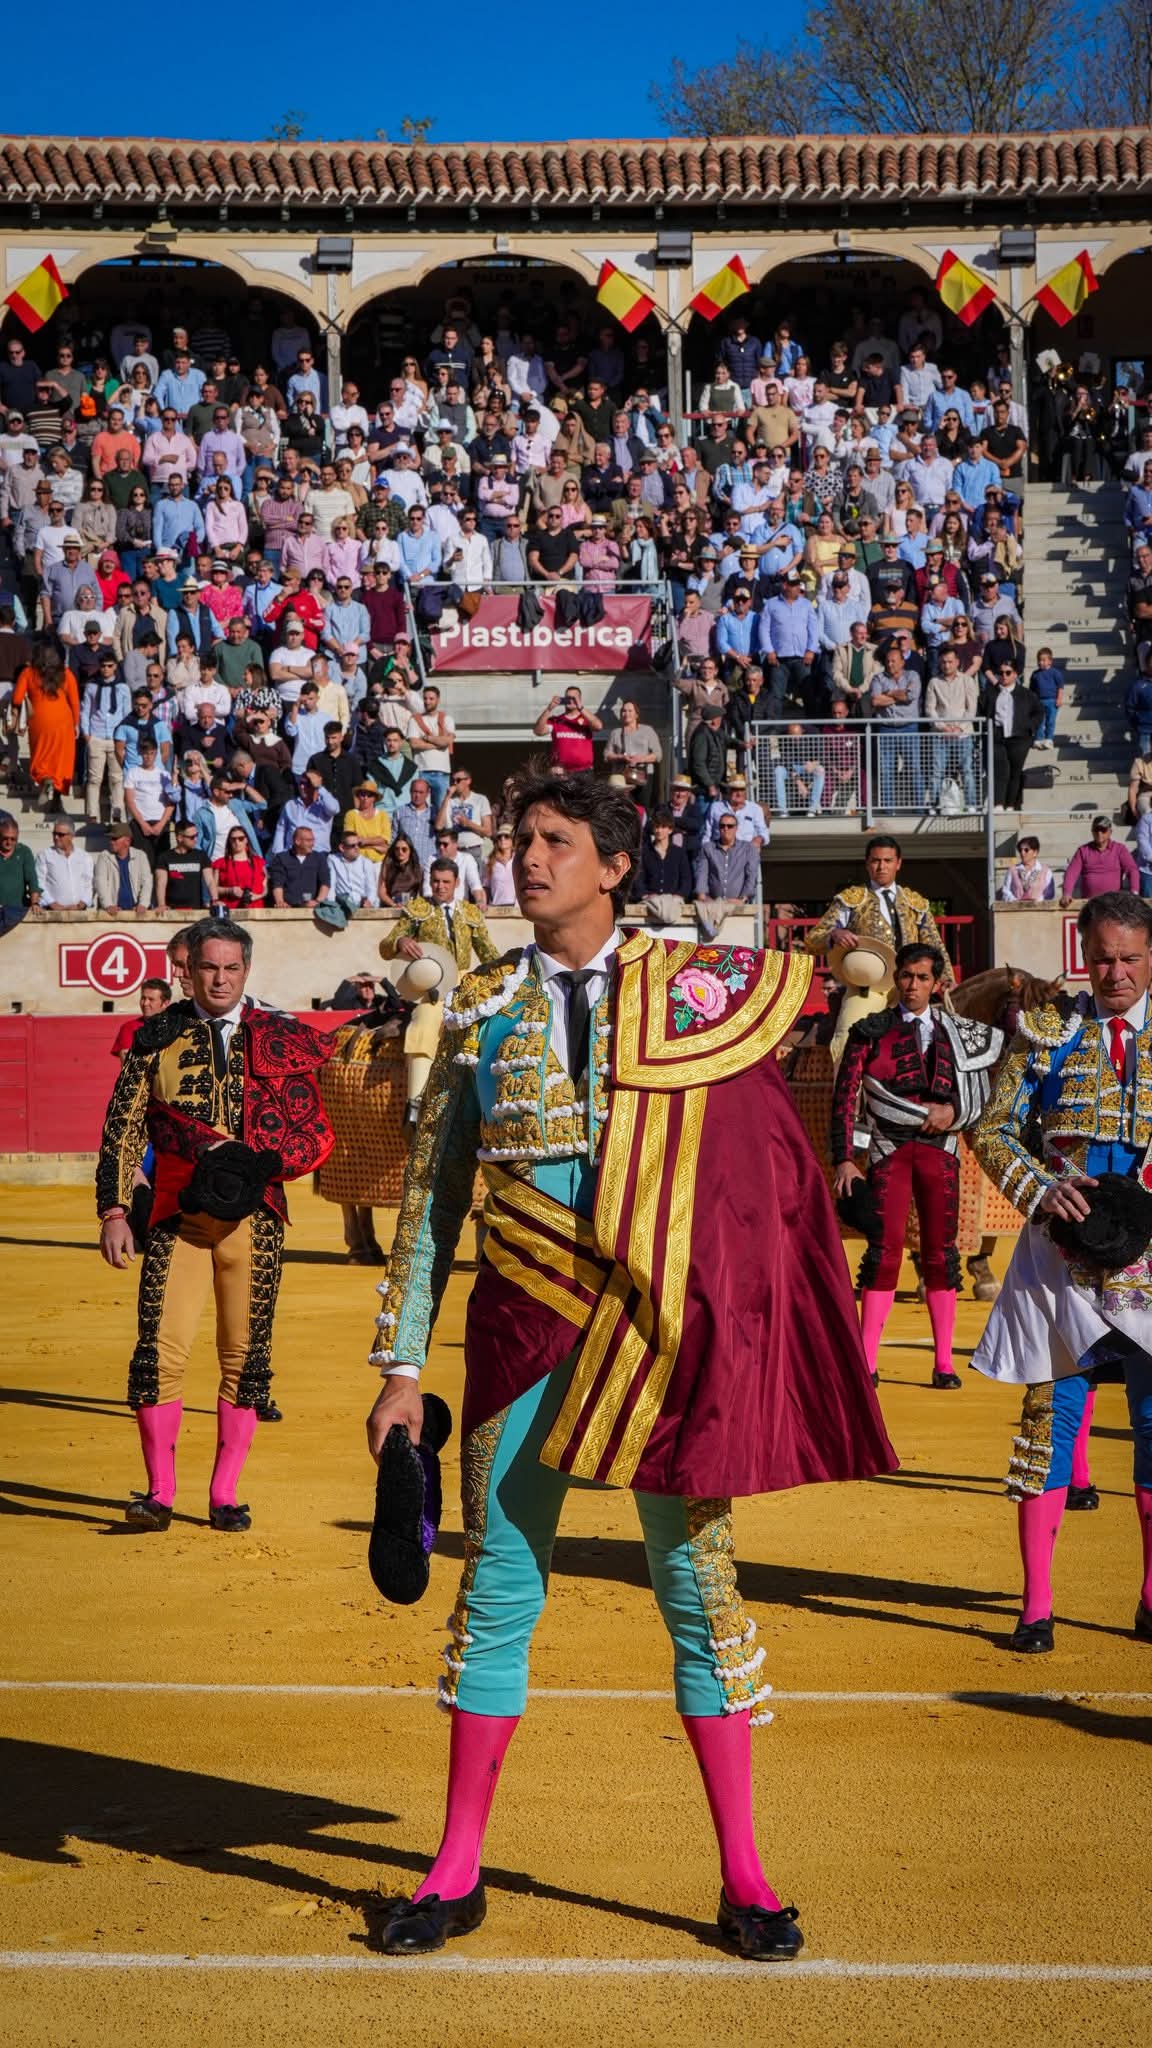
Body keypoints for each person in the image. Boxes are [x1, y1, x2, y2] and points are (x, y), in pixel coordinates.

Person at [365, 771, 895, 1961]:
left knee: (701, 1593)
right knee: (496, 1590)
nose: (528, 856)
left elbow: (762, 1149)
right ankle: (457, 1866)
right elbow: (430, 1200)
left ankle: (746, 1875)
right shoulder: (485, 1003)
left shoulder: (693, 991)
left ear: (612, 864)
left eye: (554, 840)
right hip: (522, 1334)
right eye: (520, 838)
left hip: (658, 1335)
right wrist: (401, 1362)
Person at [96, 918, 335, 1531]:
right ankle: (160, 1492)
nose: (221, 978)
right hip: (178, 1220)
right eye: (210, 967)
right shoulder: (155, 1036)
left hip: (255, 1224)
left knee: (246, 1358)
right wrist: (115, 1211)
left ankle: (225, 1494)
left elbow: (313, 1130)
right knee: (157, 1354)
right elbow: (122, 1128)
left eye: (231, 968)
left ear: (246, 970)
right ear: (188, 969)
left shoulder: (280, 1037)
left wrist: (268, 1162)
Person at [971, 893, 1152, 1651]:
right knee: (1049, 1426)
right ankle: (1036, 1606)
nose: (1116, 973)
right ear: (1084, 954)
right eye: (1104, 957)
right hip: (1062, 1253)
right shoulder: (1049, 1030)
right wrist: (1043, 1193)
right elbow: (993, 1128)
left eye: (1131, 958)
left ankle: (1151, 1597)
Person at [832, 942, 1002, 1386]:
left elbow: (981, 1099)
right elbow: (845, 1097)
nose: (912, 985)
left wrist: (953, 1115)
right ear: (897, 979)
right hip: (890, 1149)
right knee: (884, 1251)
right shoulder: (870, 1031)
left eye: (922, 978)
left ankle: (944, 1363)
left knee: (940, 1253)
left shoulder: (959, 1034)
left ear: (937, 983)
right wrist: (845, 1159)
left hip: (940, 1150)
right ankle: (867, 1362)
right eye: (906, 976)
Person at [805, 837, 953, 1061]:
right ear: (867, 863)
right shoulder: (851, 899)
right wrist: (834, 934)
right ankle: (849, 1096)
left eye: (887, 860)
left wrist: (947, 977)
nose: (881, 866)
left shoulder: (916, 902)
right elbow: (813, 940)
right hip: (867, 987)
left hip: (911, 986)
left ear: (898, 863)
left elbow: (934, 943)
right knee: (847, 1039)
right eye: (875, 861)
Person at [380, 857, 499, 971]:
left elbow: (488, 953)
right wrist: (399, 941)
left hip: (461, 984)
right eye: (436, 881)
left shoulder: (470, 912)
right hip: (427, 982)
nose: (440, 886)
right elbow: (385, 949)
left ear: (457, 883)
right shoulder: (418, 909)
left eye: (446, 882)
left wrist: (505, 972)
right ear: (430, 881)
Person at [8, 640, 80, 811]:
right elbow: (75, 702)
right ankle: (57, 796)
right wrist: (76, 723)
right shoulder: (66, 673)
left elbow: (17, 699)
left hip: (40, 720)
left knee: (42, 754)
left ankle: (45, 778)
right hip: (64, 721)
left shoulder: (28, 673)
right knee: (62, 760)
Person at [980, 659, 1040, 812]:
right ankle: (999, 803)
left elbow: (1038, 712)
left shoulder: (1026, 694)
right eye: (1001, 673)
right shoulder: (990, 692)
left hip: (1019, 737)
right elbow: (981, 711)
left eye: (1008, 673)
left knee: (1015, 771)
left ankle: (1011, 804)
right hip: (997, 736)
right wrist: (986, 730)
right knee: (1000, 770)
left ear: (1015, 674)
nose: (1004, 676)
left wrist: (1029, 728)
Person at [693, 809, 758, 938]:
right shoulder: (708, 848)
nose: (726, 829)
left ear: (736, 828)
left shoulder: (748, 848)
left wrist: (742, 899)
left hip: (737, 906)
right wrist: (703, 897)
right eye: (722, 826)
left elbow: (751, 876)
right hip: (712, 904)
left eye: (730, 826)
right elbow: (702, 874)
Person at [1060, 818, 1140, 905]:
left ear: (1110, 832)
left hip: (1114, 903)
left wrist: (1134, 892)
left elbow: (1132, 870)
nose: (1099, 833)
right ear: (1092, 832)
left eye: (1103, 830)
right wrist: (1066, 893)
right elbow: (1071, 872)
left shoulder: (1119, 849)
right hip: (1090, 903)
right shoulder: (1083, 850)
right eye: (1096, 830)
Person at [532, 686, 602, 772]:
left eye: (574, 698)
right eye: (568, 697)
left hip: (584, 772)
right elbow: (538, 731)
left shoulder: (586, 720)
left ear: (579, 700)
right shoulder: (556, 720)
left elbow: (598, 726)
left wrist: (581, 708)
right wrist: (549, 709)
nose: (570, 700)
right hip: (561, 773)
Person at [154, 817, 217, 912]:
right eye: (192, 837)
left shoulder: (201, 855)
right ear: (179, 838)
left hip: (196, 910)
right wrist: (161, 904)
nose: (196, 839)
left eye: (197, 835)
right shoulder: (164, 857)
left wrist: (215, 900)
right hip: (172, 911)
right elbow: (161, 883)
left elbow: (210, 880)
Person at [35, 816, 95, 909]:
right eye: (54, 833)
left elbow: (89, 883)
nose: (56, 837)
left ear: (71, 836)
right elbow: (39, 883)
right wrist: (52, 903)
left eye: (60, 834)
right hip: (53, 912)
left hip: (79, 912)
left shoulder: (85, 857)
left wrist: (82, 903)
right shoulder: (44, 856)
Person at [94, 822, 153, 913]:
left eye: (115, 838)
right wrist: (108, 905)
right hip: (112, 913)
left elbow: (147, 882)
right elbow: (100, 883)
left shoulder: (140, 856)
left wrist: (143, 904)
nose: (111, 841)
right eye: (111, 838)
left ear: (127, 841)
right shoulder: (104, 857)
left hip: (135, 911)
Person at [268, 825, 331, 908]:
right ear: (297, 841)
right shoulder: (281, 858)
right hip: (288, 909)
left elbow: (325, 883)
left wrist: (318, 902)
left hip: (312, 909)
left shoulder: (319, 858)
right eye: (308, 841)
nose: (312, 844)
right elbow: (277, 884)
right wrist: (280, 902)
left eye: (313, 840)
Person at [110, 979, 172, 1061]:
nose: (145, 1003)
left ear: (165, 1003)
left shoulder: (177, 1026)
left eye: (151, 999)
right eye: (143, 998)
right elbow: (129, 1065)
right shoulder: (129, 1028)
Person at [0, 810, 41, 933]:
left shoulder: (24, 852)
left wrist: (35, 903)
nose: (9, 842)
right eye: (5, 838)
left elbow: (32, 880)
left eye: (13, 839)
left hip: (16, 912)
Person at [213, 824, 268, 908]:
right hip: (229, 908)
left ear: (246, 840)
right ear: (229, 841)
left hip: (256, 907)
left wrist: (257, 896)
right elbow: (212, 888)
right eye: (233, 839)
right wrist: (229, 891)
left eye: (241, 838)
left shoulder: (259, 862)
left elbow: (265, 887)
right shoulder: (220, 863)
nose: (237, 842)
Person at [1001, 836, 1056, 902]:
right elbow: (1006, 891)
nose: (1022, 853)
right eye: (1020, 850)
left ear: (1035, 852)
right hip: (1017, 910)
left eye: (1026, 850)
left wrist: (1037, 902)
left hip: (1040, 910)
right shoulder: (1013, 870)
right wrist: (1015, 901)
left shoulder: (1045, 870)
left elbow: (1050, 892)